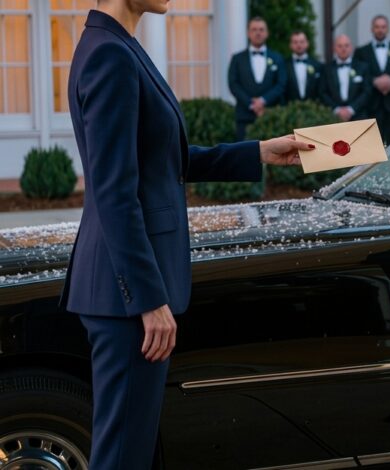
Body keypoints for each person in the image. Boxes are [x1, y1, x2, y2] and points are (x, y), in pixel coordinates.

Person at [62, 2, 313, 469]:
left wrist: (259, 150)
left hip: (122, 295)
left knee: (130, 452)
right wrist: (148, 299)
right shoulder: (109, 54)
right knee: (122, 456)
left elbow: (163, 159)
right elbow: (115, 193)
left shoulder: (118, 46)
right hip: (125, 302)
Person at [228, 17, 287, 141]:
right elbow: (233, 84)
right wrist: (251, 103)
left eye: (261, 29)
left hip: (271, 115)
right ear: (248, 33)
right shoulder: (237, 59)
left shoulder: (277, 58)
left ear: (267, 33)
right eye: (254, 29)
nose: (258, 33)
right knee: (244, 152)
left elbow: (281, 84)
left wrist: (263, 101)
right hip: (244, 116)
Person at [353, 15, 390, 144]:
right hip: (371, 105)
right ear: (372, 29)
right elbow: (357, 75)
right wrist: (374, 81)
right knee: (372, 144)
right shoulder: (361, 52)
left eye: (383, 27)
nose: (380, 30)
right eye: (377, 27)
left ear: (387, 29)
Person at [319, 34, 371, 122]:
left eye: (346, 45)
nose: (343, 49)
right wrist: (337, 109)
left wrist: (351, 109)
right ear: (334, 48)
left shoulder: (362, 67)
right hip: (333, 117)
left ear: (351, 47)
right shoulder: (326, 69)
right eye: (340, 46)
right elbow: (322, 92)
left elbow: (367, 91)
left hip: (359, 116)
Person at [285, 30, 323, 103]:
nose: (299, 45)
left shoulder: (317, 65)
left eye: (302, 42)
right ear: (290, 45)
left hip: (313, 107)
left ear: (307, 43)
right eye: (295, 42)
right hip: (290, 107)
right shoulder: (284, 65)